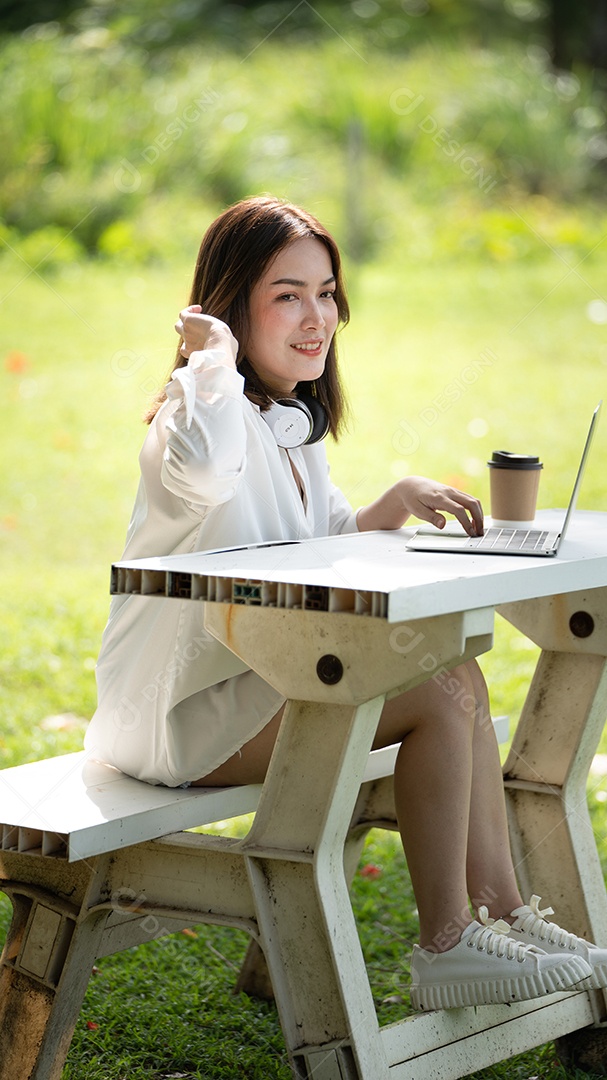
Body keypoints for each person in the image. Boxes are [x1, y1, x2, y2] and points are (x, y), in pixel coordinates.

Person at [85, 196, 607, 1011]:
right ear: (229, 308)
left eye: (325, 293)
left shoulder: (289, 431)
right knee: (440, 691)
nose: (316, 317)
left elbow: (322, 546)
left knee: (454, 675)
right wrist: (210, 357)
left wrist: (390, 503)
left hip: (251, 688)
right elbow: (211, 473)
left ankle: (503, 918)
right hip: (177, 717)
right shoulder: (195, 421)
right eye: (286, 295)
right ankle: (446, 948)